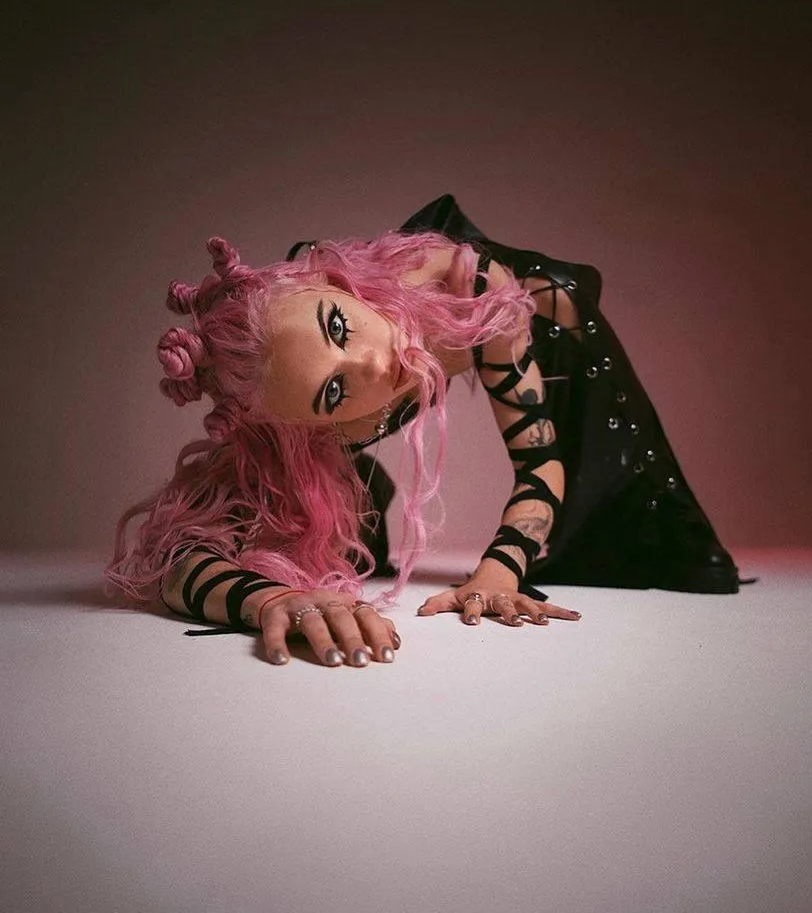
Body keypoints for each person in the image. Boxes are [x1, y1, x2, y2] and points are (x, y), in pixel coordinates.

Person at [104, 193, 751, 668]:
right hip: (316, 455)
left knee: (632, 499)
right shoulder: (287, 416)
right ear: (302, 421)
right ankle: (347, 490)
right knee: (286, 519)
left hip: (537, 347)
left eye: (339, 325)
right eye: (334, 390)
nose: (373, 362)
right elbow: (179, 563)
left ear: (329, 281)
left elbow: (540, 461)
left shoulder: (467, 286)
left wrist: (501, 572)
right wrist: (271, 598)